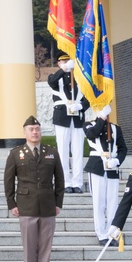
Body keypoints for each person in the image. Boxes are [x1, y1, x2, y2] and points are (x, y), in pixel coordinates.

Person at [4, 115, 64, 262]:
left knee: (46, 246)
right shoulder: (16, 153)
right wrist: (11, 203)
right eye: (31, 129)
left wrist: (58, 203)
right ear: (25, 133)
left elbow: (60, 179)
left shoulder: (51, 151)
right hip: (26, 205)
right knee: (29, 246)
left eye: (37, 129)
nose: (35, 132)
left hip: (47, 205)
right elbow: (8, 180)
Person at [84, 105, 127, 245]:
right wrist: (101, 117)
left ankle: (112, 233)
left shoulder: (115, 128)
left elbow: (123, 148)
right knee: (99, 202)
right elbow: (93, 134)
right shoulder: (88, 125)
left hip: (112, 169)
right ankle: (101, 234)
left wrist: (117, 161)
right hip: (97, 167)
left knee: (112, 202)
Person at [48, 53, 88, 193]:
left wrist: (81, 106)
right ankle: (65, 182)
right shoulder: (55, 77)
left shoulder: (80, 78)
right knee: (63, 151)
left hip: (77, 117)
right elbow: (52, 81)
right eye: (63, 61)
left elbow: (88, 96)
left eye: (68, 61)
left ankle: (77, 183)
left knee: (78, 151)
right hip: (62, 117)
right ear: (59, 63)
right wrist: (64, 69)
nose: (66, 63)